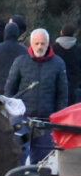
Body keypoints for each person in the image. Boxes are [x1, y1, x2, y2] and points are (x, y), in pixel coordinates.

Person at [6, 28, 70, 163]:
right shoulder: (20, 62)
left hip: (45, 120)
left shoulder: (58, 63)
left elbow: (62, 94)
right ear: (31, 43)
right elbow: (10, 89)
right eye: (37, 43)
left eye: (42, 43)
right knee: (17, 154)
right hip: (22, 118)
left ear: (48, 44)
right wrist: (11, 112)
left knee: (41, 159)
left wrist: (59, 118)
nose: (40, 46)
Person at [55, 23, 81, 106]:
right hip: (74, 86)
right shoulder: (78, 50)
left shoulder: (53, 49)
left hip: (56, 85)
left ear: (61, 32)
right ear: (73, 34)